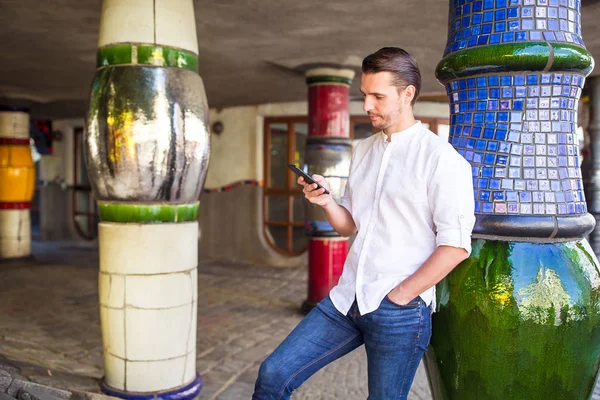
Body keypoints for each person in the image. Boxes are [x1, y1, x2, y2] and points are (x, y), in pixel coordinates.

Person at [253, 47, 475, 400]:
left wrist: (400, 295)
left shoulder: (443, 161)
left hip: (399, 311)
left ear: (407, 94)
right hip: (346, 299)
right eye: (364, 95)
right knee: (273, 374)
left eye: (377, 96)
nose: (367, 105)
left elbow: (456, 246)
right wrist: (326, 201)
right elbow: (348, 225)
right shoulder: (362, 150)